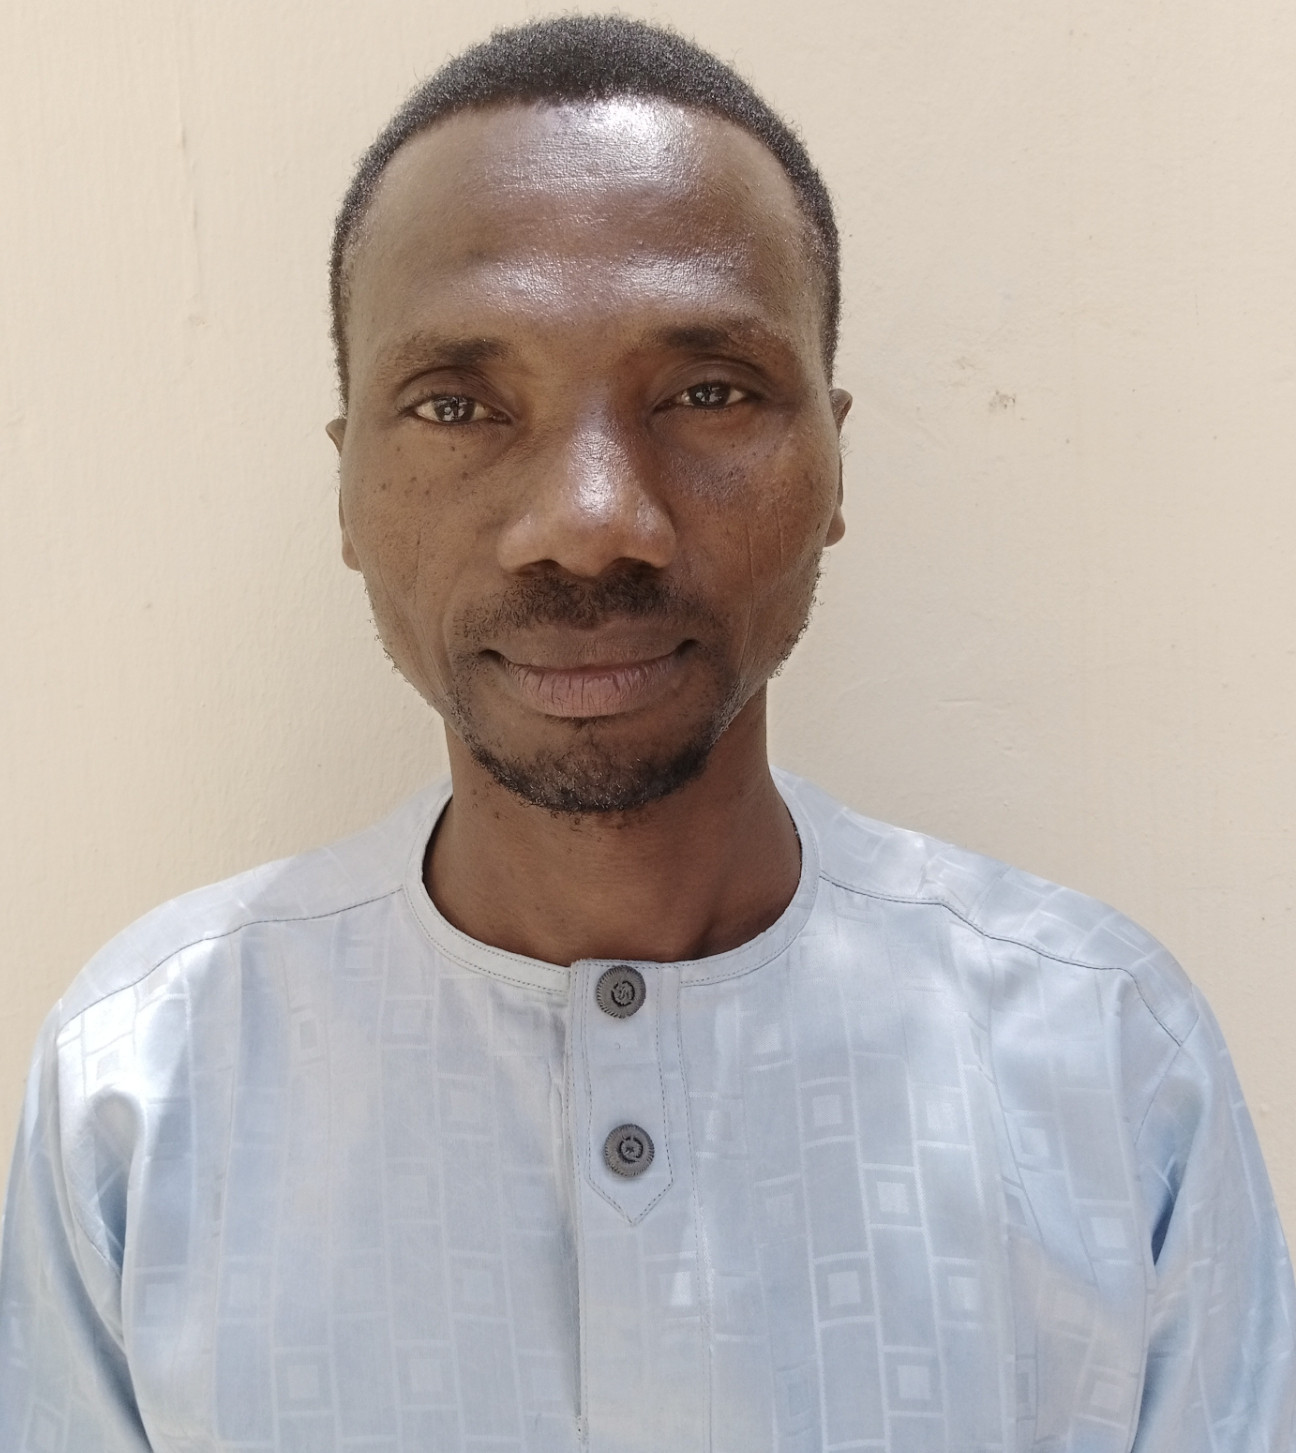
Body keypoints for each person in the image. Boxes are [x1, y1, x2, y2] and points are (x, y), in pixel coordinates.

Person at [1, 13, 1292, 1450]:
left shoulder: (1107, 1065)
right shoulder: (147, 1089)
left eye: (708, 392)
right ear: (348, 488)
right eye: (457, 403)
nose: (590, 519)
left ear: (834, 460)